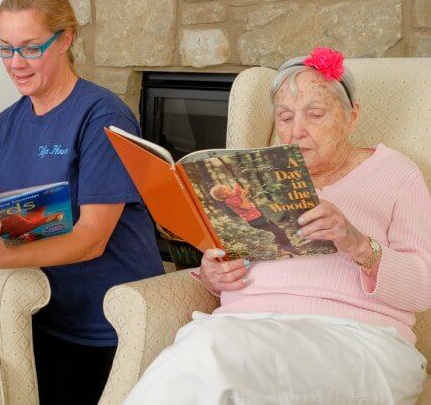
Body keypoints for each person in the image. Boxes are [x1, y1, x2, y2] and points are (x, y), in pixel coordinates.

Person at [125, 47, 430, 404]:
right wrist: (213, 275)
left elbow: (423, 289)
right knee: (193, 357)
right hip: (243, 327)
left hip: (355, 337)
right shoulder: (255, 176)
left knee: (203, 359)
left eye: (315, 114)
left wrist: (357, 243)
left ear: (352, 116)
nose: (296, 131)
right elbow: (224, 258)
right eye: (284, 118)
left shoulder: (396, 173)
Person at [0, 0, 165, 405]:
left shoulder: (103, 115)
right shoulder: (6, 124)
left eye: (31, 47)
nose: (15, 62)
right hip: (39, 314)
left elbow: (92, 239)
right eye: (6, 46)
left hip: (109, 326)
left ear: (66, 38)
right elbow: (10, 221)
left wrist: (3, 257)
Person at [209, 181, 299, 256]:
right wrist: (243, 195)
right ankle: (288, 248)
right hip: (255, 220)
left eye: (225, 187)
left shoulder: (233, 194)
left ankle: (281, 249)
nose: (227, 188)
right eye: (224, 190)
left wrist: (237, 181)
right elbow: (246, 206)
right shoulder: (229, 200)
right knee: (279, 231)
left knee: (277, 231)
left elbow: (238, 188)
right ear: (223, 196)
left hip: (259, 216)